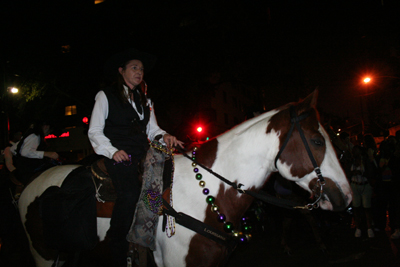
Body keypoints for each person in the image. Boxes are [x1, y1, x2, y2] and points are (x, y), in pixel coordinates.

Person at [88, 48, 183, 267]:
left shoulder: (145, 99)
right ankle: (117, 242)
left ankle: (152, 234)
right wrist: (112, 151)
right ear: (121, 71)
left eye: (141, 69)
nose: (139, 72)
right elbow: (94, 131)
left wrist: (165, 135)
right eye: (134, 67)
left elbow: (152, 130)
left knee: (172, 177)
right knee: (130, 193)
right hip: (118, 154)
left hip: (142, 153)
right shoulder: (106, 95)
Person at [10, 121, 59, 185]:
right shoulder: (35, 136)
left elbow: (13, 149)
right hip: (29, 171)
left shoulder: (31, 134)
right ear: (46, 127)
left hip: (24, 169)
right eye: (50, 131)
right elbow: (25, 152)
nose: (49, 134)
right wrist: (47, 154)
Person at [350, 145, 376, 238]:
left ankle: (369, 228)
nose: (353, 152)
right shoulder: (351, 161)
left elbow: (371, 172)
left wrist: (363, 173)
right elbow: (346, 172)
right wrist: (352, 173)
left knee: (367, 207)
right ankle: (358, 228)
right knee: (356, 207)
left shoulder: (365, 161)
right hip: (355, 184)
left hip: (365, 184)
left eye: (355, 151)